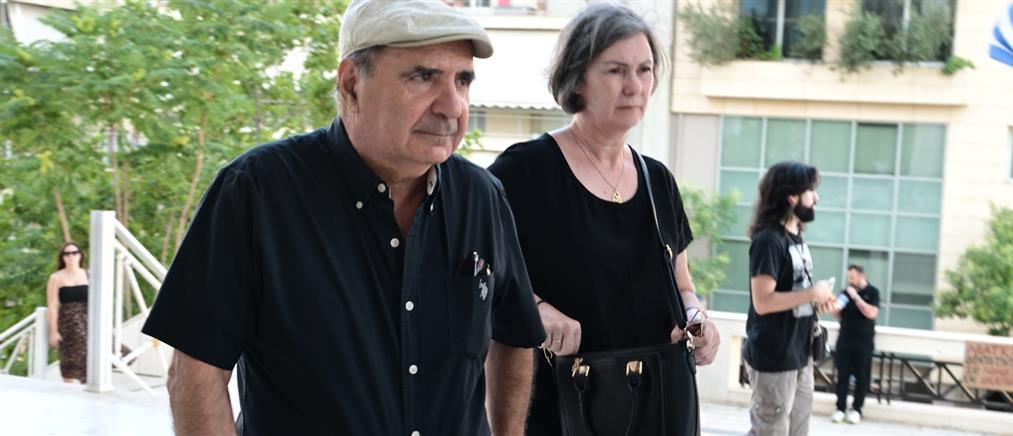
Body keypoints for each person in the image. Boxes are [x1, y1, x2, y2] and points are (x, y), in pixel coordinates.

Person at [141, 2, 545, 435]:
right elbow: (195, 371)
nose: (452, 106)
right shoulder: (257, 191)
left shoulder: (481, 196)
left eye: (462, 80)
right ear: (352, 83)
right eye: (423, 76)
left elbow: (516, 334)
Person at [488, 4, 721, 434]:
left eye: (645, 70)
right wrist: (535, 309)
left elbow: (683, 286)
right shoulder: (524, 171)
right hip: (562, 411)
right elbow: (481, 283)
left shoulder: (658, 180)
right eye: (616, 71)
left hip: (657, 410)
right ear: (577, 78)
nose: (635, 86)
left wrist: (697, 318)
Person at [743, 161, 835, 436]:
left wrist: (816, 300)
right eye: (811, 191)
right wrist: (811, 293)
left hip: (800, 354)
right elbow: (763, 302)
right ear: (792, 196)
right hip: (774, 357)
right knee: (770, 431)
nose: (816, 197)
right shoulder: (768, 240)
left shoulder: (796, 236)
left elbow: (792, 292)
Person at [829, 264, 880, 425]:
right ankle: (840, 409)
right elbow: (837, 314)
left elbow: (871, 313)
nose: (850, 280)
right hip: (844, 340)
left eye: (852, 277)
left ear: (861, 276)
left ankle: (856, 410)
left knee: (862, 377)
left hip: (863, 342)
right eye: (848, 277)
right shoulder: (845, 293)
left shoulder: (872, 292)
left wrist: (856, 297)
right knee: (842, 375)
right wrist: (833, 305)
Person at [45, 241, 89, 384]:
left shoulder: (89, 274)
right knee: (70, 362)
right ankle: (69, 393)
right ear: (62, 257)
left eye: (74, 253)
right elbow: (52, 306)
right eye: (67, 254)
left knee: (94, 357)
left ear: (80, 255)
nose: (71, 256)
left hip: (88, 321)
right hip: (68, 324)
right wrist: (53, 332)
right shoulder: (56, 278)